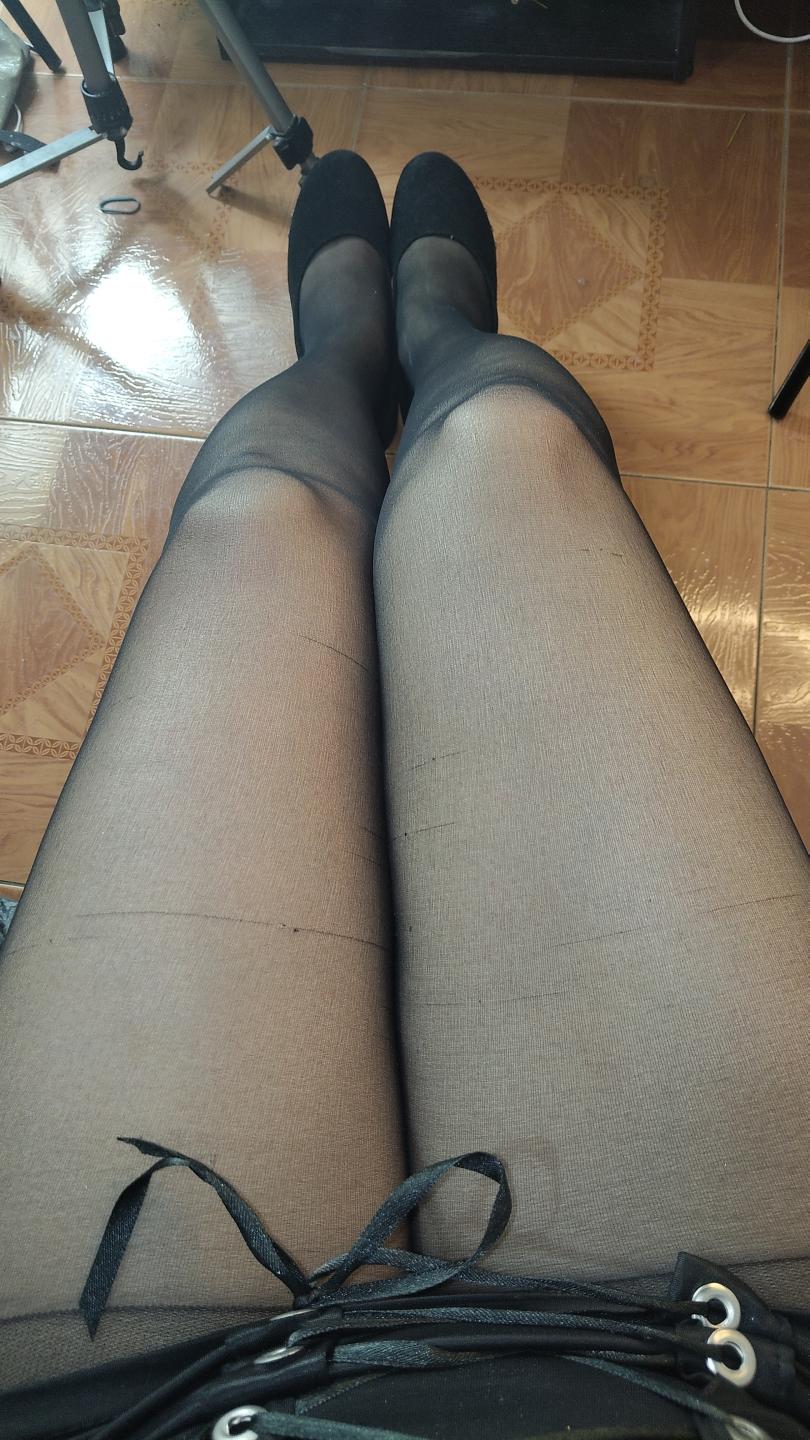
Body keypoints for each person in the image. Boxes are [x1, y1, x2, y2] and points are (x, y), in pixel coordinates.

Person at [1, 152, 808, 1437]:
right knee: (510, 442)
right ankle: (436, 341)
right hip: (718, 1373)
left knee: (261, 517)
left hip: (156, 1403)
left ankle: (350, 354)